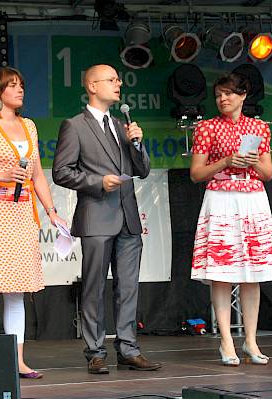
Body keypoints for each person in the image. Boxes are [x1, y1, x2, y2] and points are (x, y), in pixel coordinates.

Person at [53, 64, 160, 374]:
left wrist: (137, 143)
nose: (118, 84)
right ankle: (95, 351)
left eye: (118, 80)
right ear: (92, 86)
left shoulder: (120, 124)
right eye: (111, 80)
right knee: (94, 287)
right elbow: (61, 171)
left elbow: (142, 170)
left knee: (128, 287)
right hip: (97, 216)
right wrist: (97, 182)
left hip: (128, 217)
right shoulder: (75, 126)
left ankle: (128, 348)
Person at [0, 66, 66, 379]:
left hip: (22, 214)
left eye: (21, 85)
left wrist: (51, 211)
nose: (20, 90)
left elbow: (38, 175)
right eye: (12, 85)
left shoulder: (28, 125)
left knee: (17, 290)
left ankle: (17, 360)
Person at [189, 72, 272, 366]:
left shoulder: (259, 128)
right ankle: (226, 341)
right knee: (222, 272)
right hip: (221, 198)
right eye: (218, 95)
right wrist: (226, 161)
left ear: (243, 95)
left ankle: (251, 340)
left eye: (228, 93)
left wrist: (253, 162)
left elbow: (268, 173)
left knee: (253, 273)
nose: (222, 99)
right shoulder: (207, 127)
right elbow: (196, 173)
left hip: (253, 198)